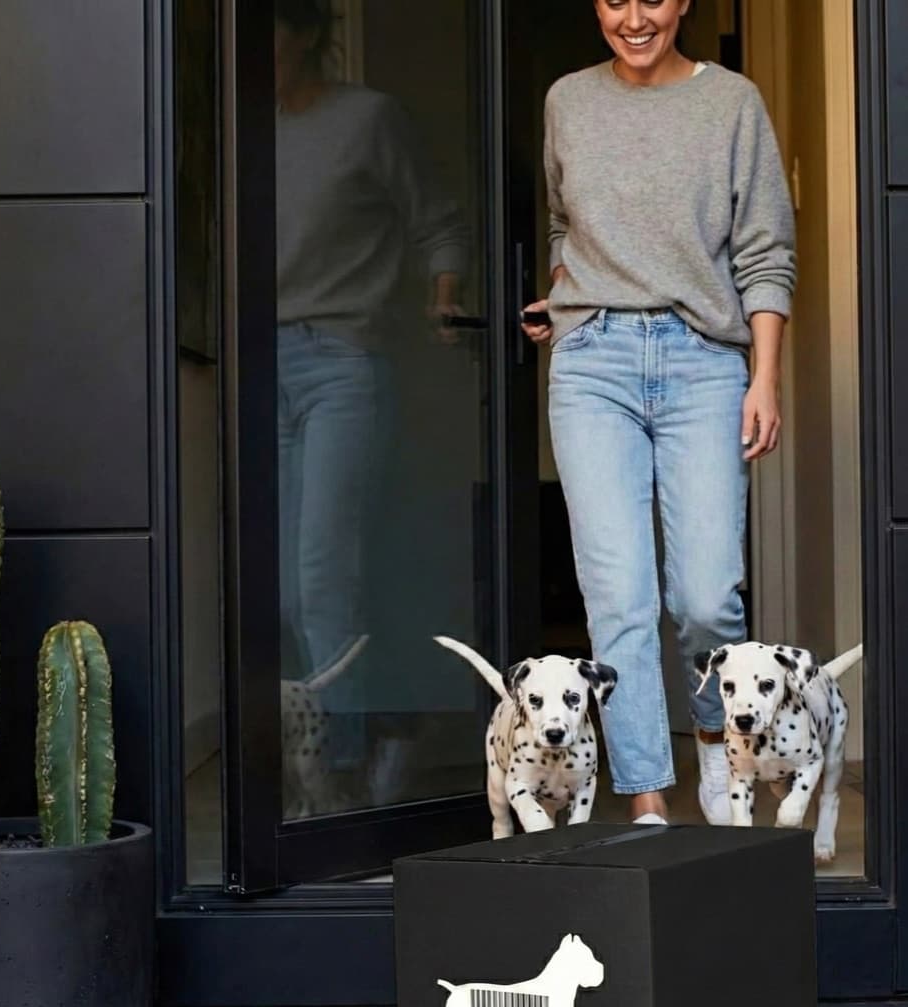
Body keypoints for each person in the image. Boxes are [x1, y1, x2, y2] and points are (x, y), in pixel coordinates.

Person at [522, 0, 796, 825]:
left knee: (708, 593)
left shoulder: (731, 103)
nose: (633, 18)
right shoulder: (567, 99)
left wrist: (764, 378)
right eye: (614, 0)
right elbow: (567, 223)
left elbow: (765, 250)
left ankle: (715, 741)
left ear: (682, 3)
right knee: (618, 594)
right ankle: (647, 796)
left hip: (702, 361)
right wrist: (565, 298)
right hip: (592, 360)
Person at [274, 0, 468, 810]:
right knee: (288, 588)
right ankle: (392, 725)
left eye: (273, 33)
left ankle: (340, 777)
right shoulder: (242, 134)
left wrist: (445, 304)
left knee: (322, 574)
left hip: (341, 361)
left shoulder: (367, 120)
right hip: (261, 363)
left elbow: (438, 223)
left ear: (309, 34)